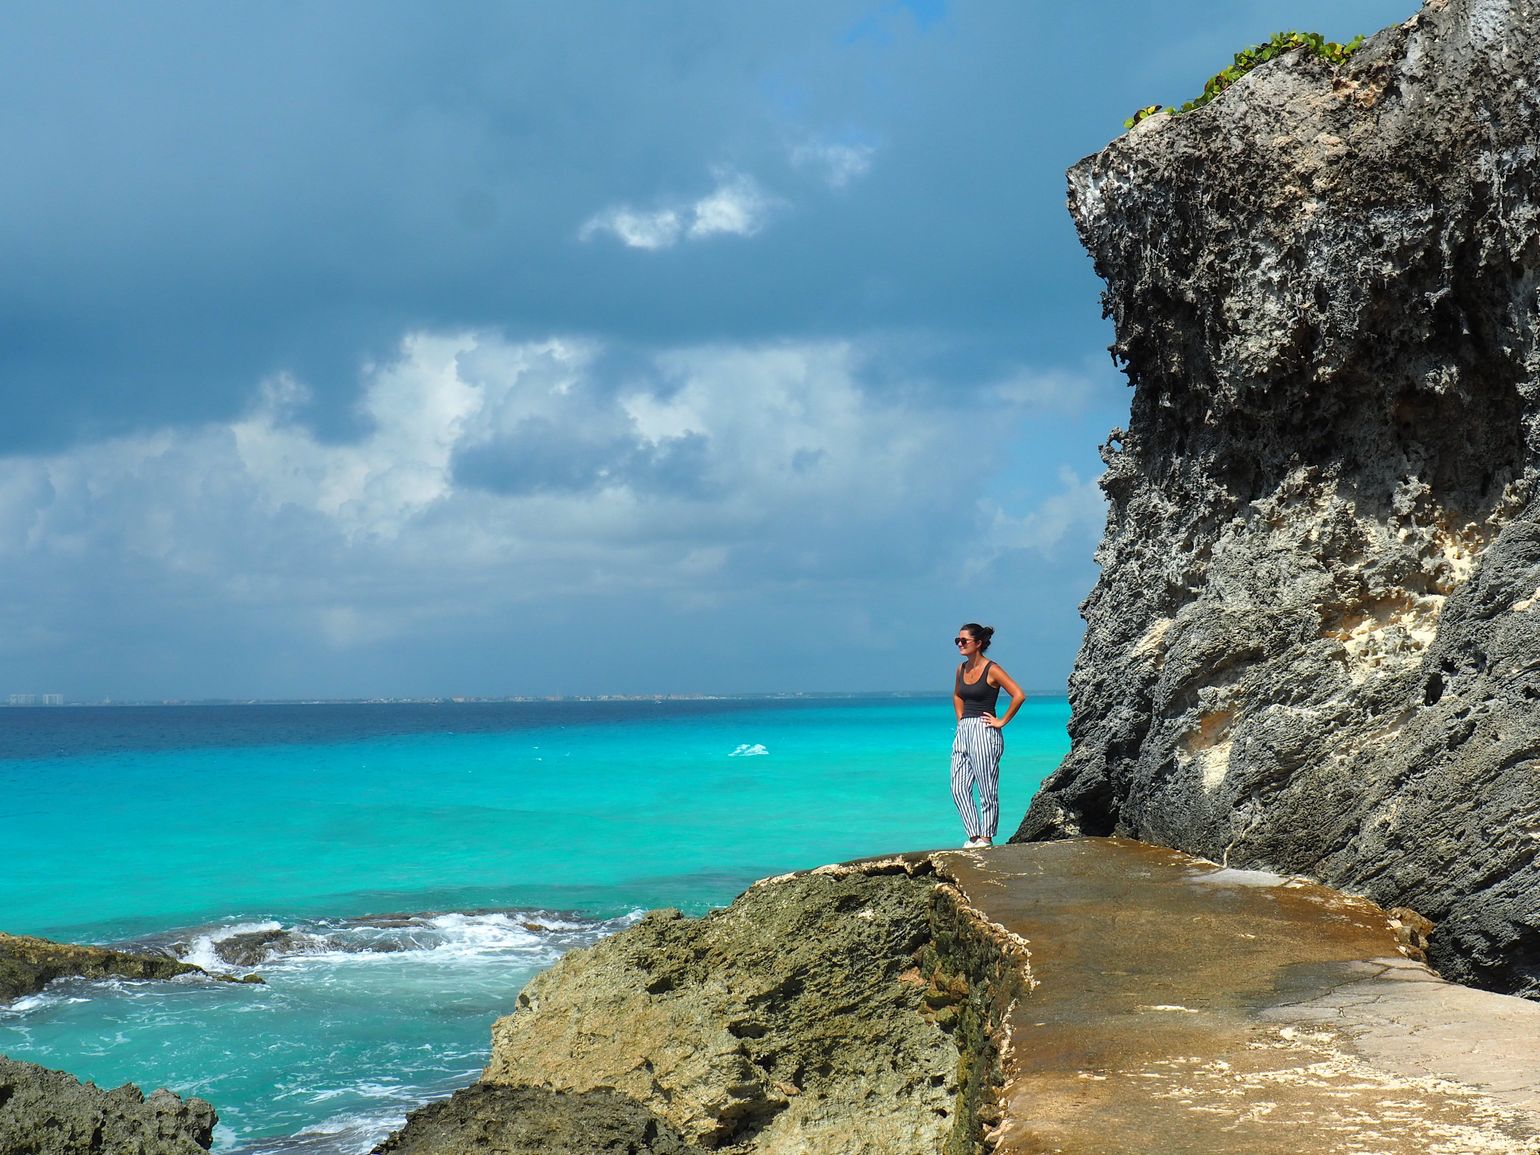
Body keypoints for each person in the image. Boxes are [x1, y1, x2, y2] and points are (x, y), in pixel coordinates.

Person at [951, 623, 1026, 849]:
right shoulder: (961, 669)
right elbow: (957, 695)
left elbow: (1018, 695)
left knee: (986, 788)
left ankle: (987, 837)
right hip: (964, 730)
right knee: (958, 787)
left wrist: (1001, 721)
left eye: (964, 640)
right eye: (958, 640)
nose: (960, 644)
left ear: (978, 643)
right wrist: (961, 720)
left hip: (985, 731)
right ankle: (973, 836)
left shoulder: (992, 669)